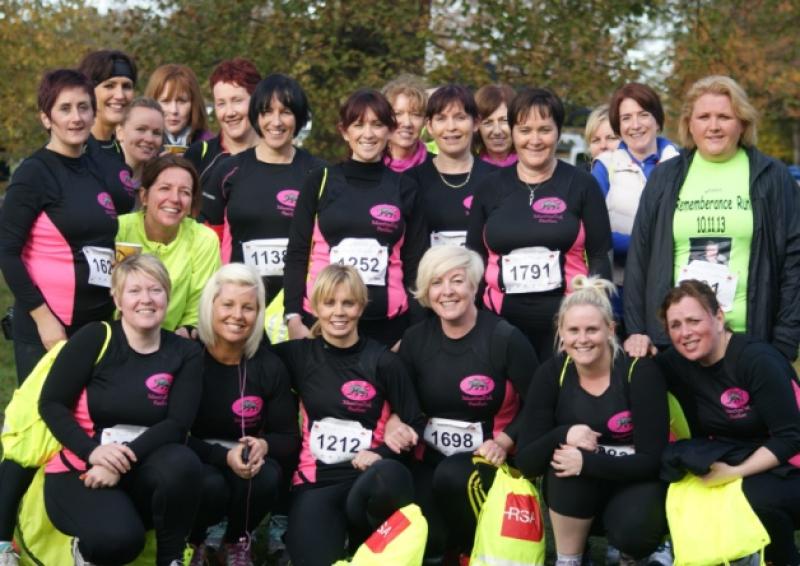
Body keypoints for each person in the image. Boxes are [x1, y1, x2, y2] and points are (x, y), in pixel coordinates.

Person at [0, 68, 120, 565]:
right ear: (45, 117)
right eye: (65, 108)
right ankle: (2, 543)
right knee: (34, 433)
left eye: (83, 107)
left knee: (79, 432)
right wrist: (43, 317)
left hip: (95, 328)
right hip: (47, 330)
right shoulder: (35, 172)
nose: (76, 117)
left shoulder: (97, 168)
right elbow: (7, 251)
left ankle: (65, 538)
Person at [38, 254, 203, 566]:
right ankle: (85, 552)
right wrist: (93, 453)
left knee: (183, 462)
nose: (146, 299)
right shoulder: (95, 337)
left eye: (155, 290)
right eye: (134, 291)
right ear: (117, 299)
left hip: (140, 465)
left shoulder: (185, 352)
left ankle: (171, 559)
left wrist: (119, 462)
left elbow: (177, 424)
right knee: (121, 541)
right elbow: (51, 403)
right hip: (82, 469)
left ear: (167, 295)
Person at [624, 75, 800, 360]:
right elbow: (639, 259)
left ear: (742, 123)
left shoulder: (773, 177)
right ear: (689, 124)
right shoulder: (664, 178)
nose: (713, 126)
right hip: (675, 342)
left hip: (750, 340)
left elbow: (794, 262)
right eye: (704, 117)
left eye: (724, 117)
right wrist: (638, 330)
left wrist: (785, 340)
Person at [273, 264, 424, 566]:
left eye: (348, 303)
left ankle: (361, 538)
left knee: (390, 475)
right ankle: (332, 537)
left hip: (368, 481)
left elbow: (415, 421)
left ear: (361, 306)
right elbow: (248, 360)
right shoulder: (298, 355)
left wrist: (381, 453)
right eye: (329, 303)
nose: (338, 312)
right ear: (315, 307)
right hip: (317, 482)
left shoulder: (383, 362)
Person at [515, 276, 669, 566]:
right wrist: (562, 434)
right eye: (573, 330)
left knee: (634, 526)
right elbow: (526, 461)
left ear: (611, 329)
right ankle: (569, 559)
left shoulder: (638, 371)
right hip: (577, 491)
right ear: (560, 332)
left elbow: (653, 460)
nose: (582, 339)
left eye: (592, 329)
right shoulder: (551, 373)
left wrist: (588, 462)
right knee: (564, 464)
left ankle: (630, 553)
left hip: (634, 482)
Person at [398, 245, 538, 561]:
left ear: (474, 285)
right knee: (427, 536)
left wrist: (505, 441)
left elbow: (539, 403)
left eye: (457, 280)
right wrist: (395, 423)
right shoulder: (415, 340)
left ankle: (472, 552)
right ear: (426, 290)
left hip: (489, 460)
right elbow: (398, 402)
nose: (447, 291)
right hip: (429, 459)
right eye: (436, 282)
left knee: (452, 476)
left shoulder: (505, 338)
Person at [656, 280, 800, 564]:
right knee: (685, 491)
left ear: (719, 317)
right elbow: (637, 370)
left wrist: (734, 472)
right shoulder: (677, 361)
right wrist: (638, 344)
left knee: (750, 499)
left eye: (694, 320)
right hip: (736, 457)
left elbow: (791, 437)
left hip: (789, 463)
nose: (685, 333)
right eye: (675, 325)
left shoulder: (756, 360)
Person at [466, 87, 612, 360]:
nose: (534, 140)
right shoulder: (489, 188)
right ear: (513, 133)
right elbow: (474, 258)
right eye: (525, 130)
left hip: (567, 329)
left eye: (544, 130)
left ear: (558, 132)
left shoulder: (583, 185)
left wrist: (589, 317)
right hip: (499, 325)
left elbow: (600, 256)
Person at [283, 88, 426, 346]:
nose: (368, 134)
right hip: (322, 323)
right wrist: (292, 317)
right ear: (344, 131)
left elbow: (416, 265)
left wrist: (412, 332)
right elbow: (297, 253)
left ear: (390, 130)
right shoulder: (320, 181)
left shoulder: (406, 188)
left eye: (377, 125)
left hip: (389, 329)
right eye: (358, 125)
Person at [187, 264, 299, 565]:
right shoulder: (188, 358)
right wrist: (221, 456)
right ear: (210, 306)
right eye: (228, 304)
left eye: (248, 307)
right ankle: (195, 540)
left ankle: (237, 540)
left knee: (267, 476)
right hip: (198, 457)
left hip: (246, 461)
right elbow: (173, 432)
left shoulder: (269, 366)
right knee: (209, 483)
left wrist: (264, 444)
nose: (237, 315)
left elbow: (288, 438)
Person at [215, 74, 324, 307]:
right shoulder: (229, 170)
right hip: (240, 303)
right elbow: (208, 239)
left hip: (300, 306)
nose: (276, 122)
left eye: (285, 112)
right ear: (256, 116)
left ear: (299, 117)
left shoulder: (319, 173)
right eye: (266, 112)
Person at [590, 84, 678, 319]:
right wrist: (650, 246)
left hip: (673, 287)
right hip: (620, 289)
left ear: (657, 120)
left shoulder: (682, 164)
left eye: (643, 114)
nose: (635, 125)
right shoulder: (605, 167)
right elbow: (595, 233)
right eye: (626, 118)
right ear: (618, 126)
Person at [116, 155, 221, 337]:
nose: (175, 198)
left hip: (173, 340)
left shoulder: (204, 239)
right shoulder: (118, 229)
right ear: (144, 196)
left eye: (185, 192)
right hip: (116, 335)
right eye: (165, 188)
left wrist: (186, 331)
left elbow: (200, 305)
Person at [408, 85, 498, 249]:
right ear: (429, 126)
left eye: (460, 117)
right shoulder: (410, 182)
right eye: (441, 119)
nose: (451, 127)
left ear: (476, 122)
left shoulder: (497, 180)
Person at [185, 58, 261, 237]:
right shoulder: (199, 155)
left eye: (237, 101)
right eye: (221, 103)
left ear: (257, 101)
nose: (229, 112)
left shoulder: (278, 158)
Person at [77, 49, 137, 159]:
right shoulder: (73, 152)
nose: (120, 95)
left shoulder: (117, 151)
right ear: (88, 91)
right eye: (109, 86)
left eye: (126, 86)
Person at [144, 63, 212, 154]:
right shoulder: (140, 145)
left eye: (182, 101)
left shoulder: (210, 148)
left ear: (193, 104)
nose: (174, 110)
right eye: (165, 101)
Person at [112, 97, 165, 199]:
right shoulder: (100, 174)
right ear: (120, 132)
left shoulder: (160, 180)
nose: (149, 139)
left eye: (156, 133)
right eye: (141, 129)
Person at [382, 74, 430, 172]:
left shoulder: (438, 168)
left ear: (425, 121)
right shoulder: (368, 167)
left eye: (416, 115)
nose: (407, 123)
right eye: (397, 114)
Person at [474, 83, 517, 167]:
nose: (497, 131)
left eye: (504, 121)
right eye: (488, 122)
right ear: (477, 126)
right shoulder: (470, 169)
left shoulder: (532, 166)